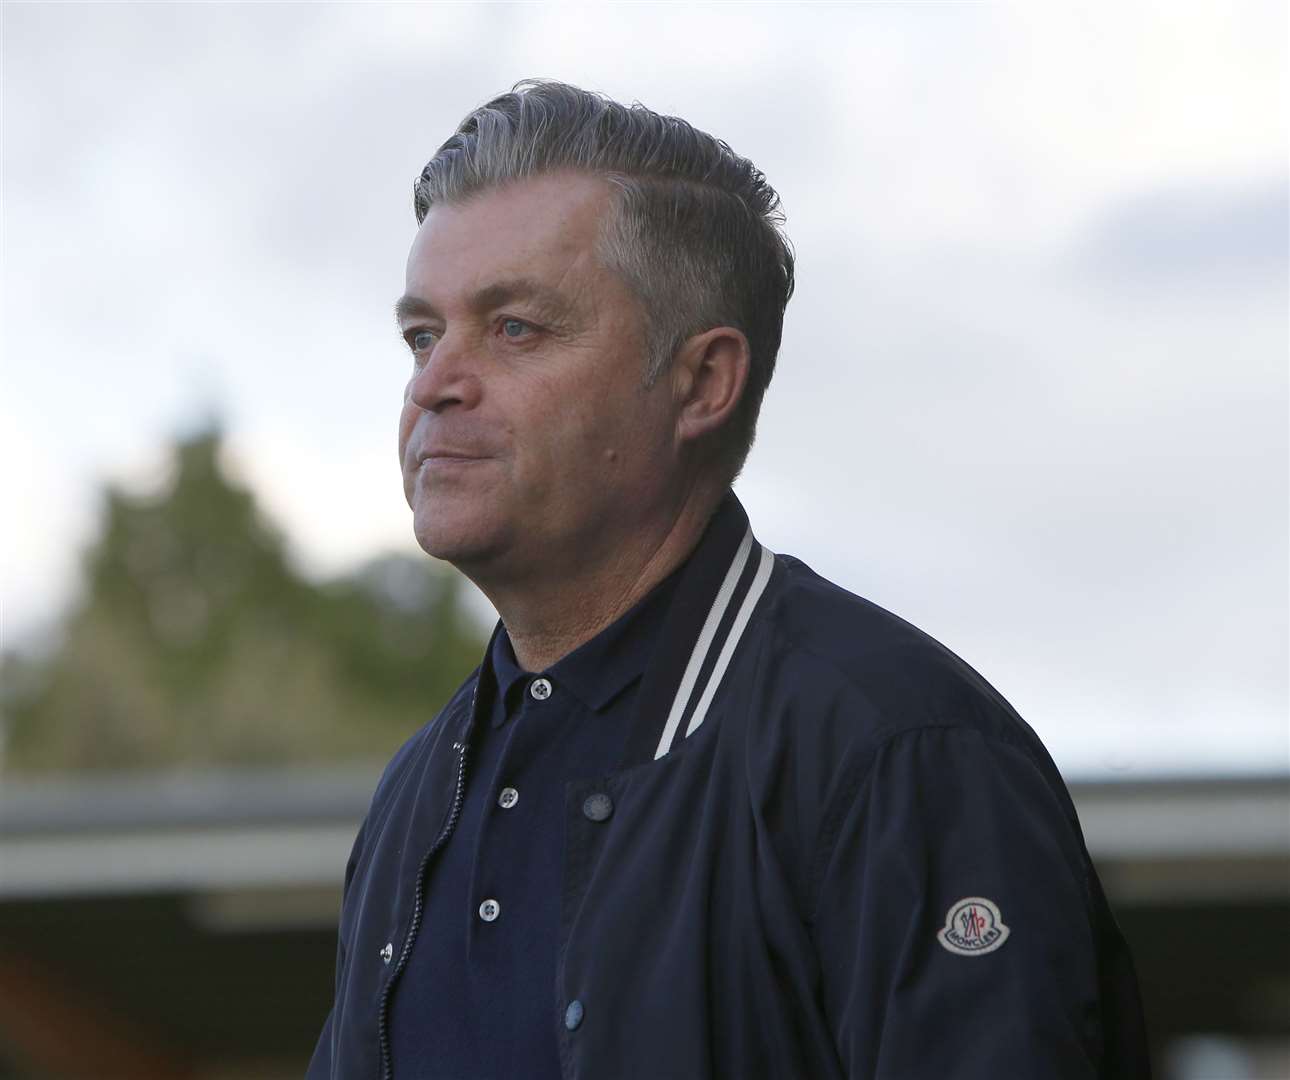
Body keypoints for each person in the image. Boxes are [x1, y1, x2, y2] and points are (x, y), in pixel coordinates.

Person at [308, 80, 1151, 1080]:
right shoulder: (421, 789)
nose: (434, 383)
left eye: (516, 328)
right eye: (421, 334)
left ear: (704, 382)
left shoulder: (897, 754)